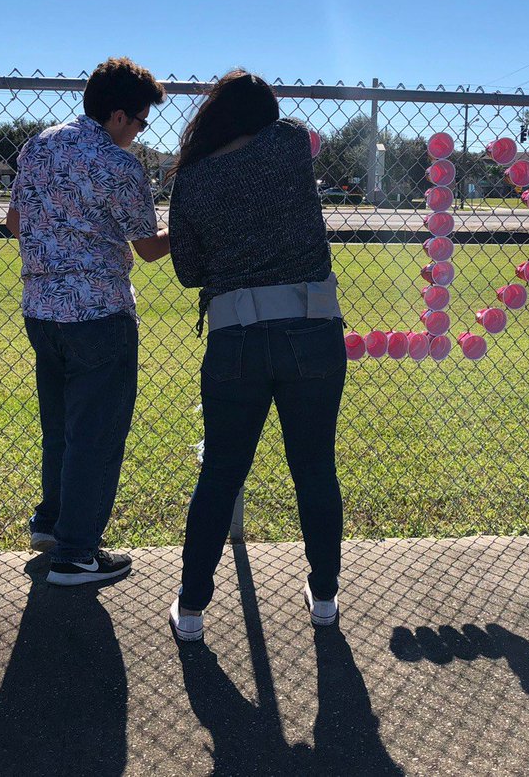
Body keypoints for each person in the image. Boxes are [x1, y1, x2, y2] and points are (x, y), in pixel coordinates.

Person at [166, 70, 346, 642]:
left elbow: (188, 272)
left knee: (220, 473)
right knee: (314, 467)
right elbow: (289, 130)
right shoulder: (289, 144)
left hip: (235, 333)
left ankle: (192, 609)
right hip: (312, 326)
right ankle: (324, 598)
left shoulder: (191, 179)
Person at [6, 56, 170, 586]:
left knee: (60, 427)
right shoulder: (118, 164)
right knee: (96, 434)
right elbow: (147, 248)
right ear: (120, 116)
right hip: (99, 311)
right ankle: (78, 553)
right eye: (141, 122)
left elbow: (15, 221)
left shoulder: (39, 146)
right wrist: (192, 230)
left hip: (41, 309)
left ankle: (52, 524)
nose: (140, 132)